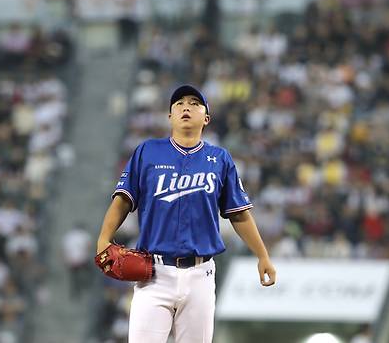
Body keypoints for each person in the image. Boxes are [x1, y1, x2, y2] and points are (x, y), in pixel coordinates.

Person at [96, 84, 277, 343]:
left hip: (200, 275)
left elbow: (239, 214)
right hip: (153, 274)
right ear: (169, 116)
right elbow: (123, 200)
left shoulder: (220, 158)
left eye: (194, 103)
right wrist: (104, 238)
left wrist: (263, 255)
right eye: (179, 104)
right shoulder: (148, 152)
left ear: (206, 118)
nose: (185, 107)